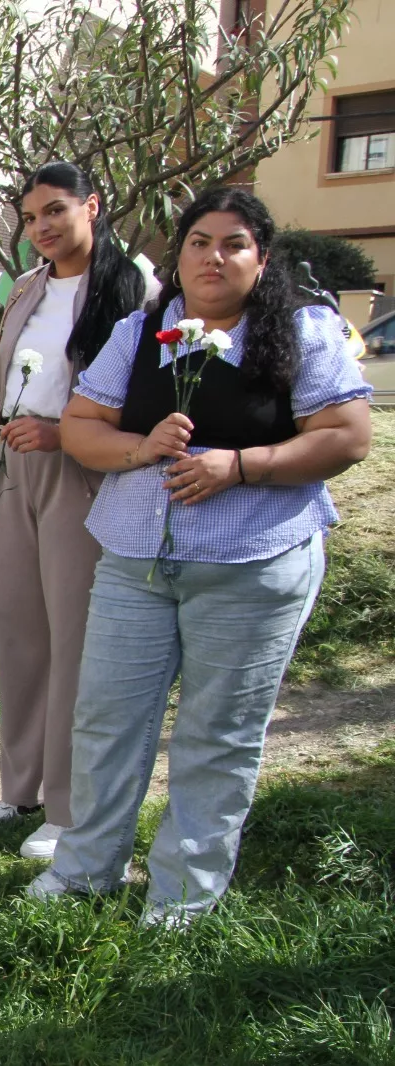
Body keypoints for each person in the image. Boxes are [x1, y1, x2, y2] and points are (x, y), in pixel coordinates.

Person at [29, 188, 371, 928]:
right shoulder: (142, 329)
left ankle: (183, 893)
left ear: (262, 257)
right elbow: (83, 427)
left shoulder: (302, 332)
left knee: (217, 734)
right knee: (107, 721)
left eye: (234, 243)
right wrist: (141, 447)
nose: (213, 257)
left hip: (252, 562)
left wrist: (239, 466)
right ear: (178, 255)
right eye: (198, 242)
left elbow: (346, 435)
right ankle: (87, 866)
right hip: (133, 559)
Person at [0, 162, 153, 860]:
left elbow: (137, 398)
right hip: (16, 470)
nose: (41, 226)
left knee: (74, 638)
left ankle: (69, 809)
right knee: (19, 632)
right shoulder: (25, 289)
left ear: (92, 207)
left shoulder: (136, 290)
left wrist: (61, 431)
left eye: (55, 210)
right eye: (31, 216)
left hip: (82, 470)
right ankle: (20, 789)